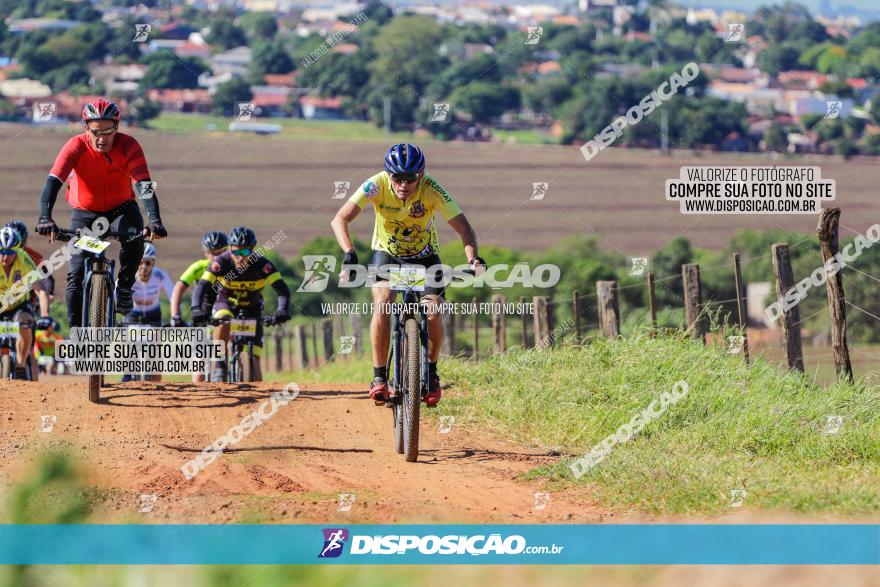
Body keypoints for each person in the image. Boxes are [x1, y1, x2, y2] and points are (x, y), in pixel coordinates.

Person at [330, 143, 485, 407]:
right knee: (383, 302)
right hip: (387, 255)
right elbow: (340, 219)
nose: (403, 184)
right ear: (388, 175)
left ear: (421, 175)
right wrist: (349, 253)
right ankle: (379, 376)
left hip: (425, 258)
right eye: (397, 178)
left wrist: (473, 259)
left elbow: (465, 229)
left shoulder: (433, 189)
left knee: (434, 312)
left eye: (410, 178)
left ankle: (432, 373)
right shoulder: (375, 185)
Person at [35, 98, 167, 329]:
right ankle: (76, 336)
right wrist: (45, 218)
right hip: (85, 213)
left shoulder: (129, 146)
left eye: (108, 131)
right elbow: (53, 183)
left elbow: (144, 185)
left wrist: (155, 220)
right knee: (75, 277)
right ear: (86, 127)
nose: (102, 138)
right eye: (96, 131)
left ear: (117, 126)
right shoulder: (75, 146)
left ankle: (124, 286)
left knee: (135, 238)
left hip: (122, 209)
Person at [190, 227, 291, 382]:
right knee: (223, 321)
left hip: (252, 308)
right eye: (236, 252)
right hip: (225, 303)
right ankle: (219, 361)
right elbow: (202, 286)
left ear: (252, 250)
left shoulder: (262, 266)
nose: (240, 258)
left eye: (245, 253)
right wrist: (196, 308)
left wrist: (282, 310)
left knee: (255, 362)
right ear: (230, 250)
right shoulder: (221, 262)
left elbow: (282, 290)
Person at [170, 231, 228, 383]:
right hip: (202, 313)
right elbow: (178, 289)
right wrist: (175, 315)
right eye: (212, 254)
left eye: (220, 253)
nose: (216, 257)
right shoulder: (198, 267)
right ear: (206, 253)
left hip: (225, 309)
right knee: (199, 361)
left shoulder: (231, 266)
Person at [0, 227, 52, 379]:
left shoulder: (24, 261)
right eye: (2, 251)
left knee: (25, 323)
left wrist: (44, 315)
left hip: (19, 305)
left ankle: (21, 365)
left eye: (10, 252)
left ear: (18, 250)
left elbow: (41, 290)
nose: (5, 256)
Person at [121, 242, 173, 382]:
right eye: (140, 262)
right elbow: (114, 294)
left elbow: (173, 296)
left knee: (156, 351)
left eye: (148, 263)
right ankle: (127, 373)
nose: (144, 267)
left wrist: (175, 317)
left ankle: (156, 383)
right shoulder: (128, 275)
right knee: (126, 343)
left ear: (153, 263)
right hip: (133, 313)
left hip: (153, 314)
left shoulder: (160, 275)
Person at [4, 220, 54, 302]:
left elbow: (47, 278)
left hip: (24, 302)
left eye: (18, 244)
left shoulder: (33, 256)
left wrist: (48, 294)